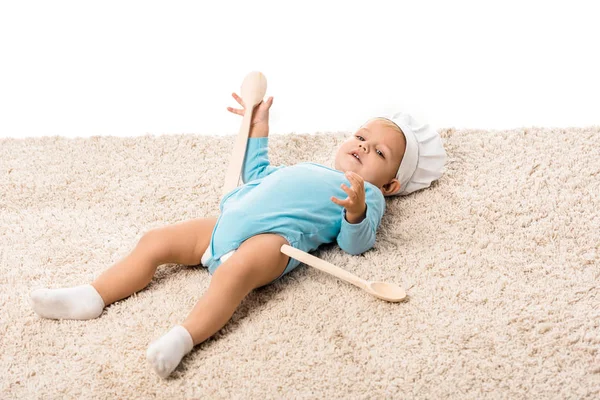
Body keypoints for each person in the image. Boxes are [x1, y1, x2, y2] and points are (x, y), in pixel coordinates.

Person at [29, 92, 447, 379]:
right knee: (156, 240)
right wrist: (258, 127)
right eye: (361, 137)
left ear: (391, 184)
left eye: (379, 153)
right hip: (227, 223)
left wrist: (356, 207)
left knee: (236, 274)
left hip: (273, 242)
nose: (363, 148)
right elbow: (258, 173)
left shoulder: (368, 193)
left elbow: (356, 245)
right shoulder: (307, 168)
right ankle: (92, 295)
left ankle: (182, 337)